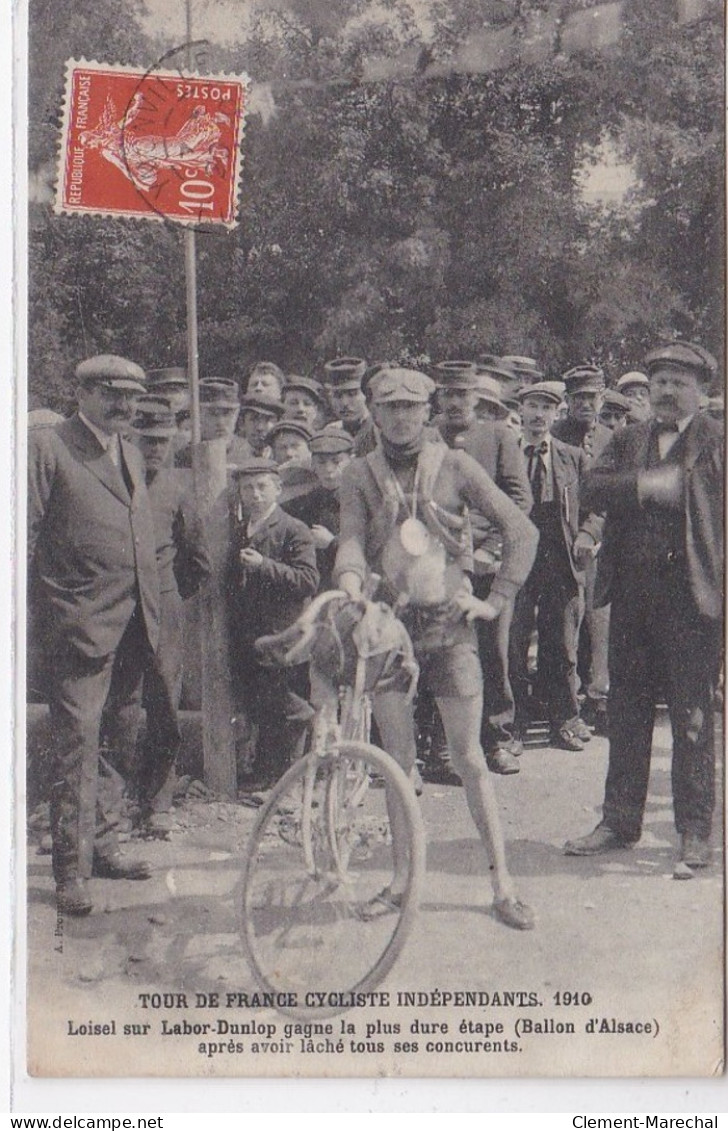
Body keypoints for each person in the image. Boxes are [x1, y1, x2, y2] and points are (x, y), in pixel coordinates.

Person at [335, 367, 539, 930]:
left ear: (427, 412)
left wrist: (496, 600)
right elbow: (351, 537)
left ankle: (503, 886)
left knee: (469, 758)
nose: (400, 417)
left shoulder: (456, 464)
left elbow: (522, 530)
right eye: (388, 407)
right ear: (373, 413)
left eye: (410, 407)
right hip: (389, 632)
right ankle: (400, 883)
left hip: (450, 629)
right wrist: (351, 586)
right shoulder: (358, 473)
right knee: (397, 763)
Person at [564, 342, 723, 874]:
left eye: (679, 381)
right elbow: (589, 488)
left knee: (693, 720)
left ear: (701, 391)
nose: (666, 390)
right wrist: (644, 487)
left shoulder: (718, 442)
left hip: (693, 603)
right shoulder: (628, 439)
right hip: (632, 600)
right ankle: (619, 822)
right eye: (659, 381)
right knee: (626, 713)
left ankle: (695, 833)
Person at [28, 355, 159, 916]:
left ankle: (104, 844)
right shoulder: (48, 447)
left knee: (122, 734)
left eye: (131, 396)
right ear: (80, 393)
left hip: (132, 623)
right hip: (77, 625)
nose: (124, 406)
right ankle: (70, 871)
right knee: (77, 746)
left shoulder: (128, 451)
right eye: (111, 394)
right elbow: (23, 535)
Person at [432, 360, 533, 776]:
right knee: (441, 652)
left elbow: (519, 502)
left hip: (489, 567)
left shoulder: (498, 437)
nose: (456, 403)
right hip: (439, 566)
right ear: (438, 397)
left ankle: (499, 739)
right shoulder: (426, 437)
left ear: (478, 397)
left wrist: (491, 549)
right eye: (449, 394)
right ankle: (442, 748)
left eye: (464, 394)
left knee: (495, 653)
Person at [129, 397, 211, 833]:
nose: (155, 449)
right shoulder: (114, 479)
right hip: (118, 606)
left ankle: (156, 801)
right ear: (130, 437)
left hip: (164, 606)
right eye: (146, 441)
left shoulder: (179, 488)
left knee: (164, 702)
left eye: (162, 441)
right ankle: (112, 804)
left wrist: (170, 593)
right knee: (117, 706)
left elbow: (196, 557)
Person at [226, 459, 319, 788]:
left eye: (262, 486)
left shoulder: (293, 528)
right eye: (247, 488)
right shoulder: (238, 530)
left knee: (286, 706)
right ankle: (268, 775)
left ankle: (287, 779)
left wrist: (265, 565)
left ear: (278, 489)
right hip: (251, 634)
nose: (254, 495)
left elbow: (308, 580)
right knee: (264, 707)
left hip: (283, 634)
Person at [509, 382, 591, 751]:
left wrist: (588, 534)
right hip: (516, 558)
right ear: (521, 410)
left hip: (561, 560)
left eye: (546, 407)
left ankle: (565, 720)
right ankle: (512, 724)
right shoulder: (505, 454)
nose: (539, 414)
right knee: (511, 640)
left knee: (562, 644)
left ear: (557, 414)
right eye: (532, 405)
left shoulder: (573, 457)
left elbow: (597, 507)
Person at [552, 364, 612, 735]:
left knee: (601, 624)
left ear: (602, 397)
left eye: (592, 396)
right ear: (568, 401)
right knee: (565, 629)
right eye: (578, 397)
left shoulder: (613, 438)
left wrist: (594, 533)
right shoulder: (556, 435)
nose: (585, 404)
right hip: (564, 547)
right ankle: (566, 703)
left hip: (604, 548)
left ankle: (599, 698)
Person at [284, 427, 353, 591]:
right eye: (321, 462)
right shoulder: (299, 506)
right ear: (313, 464)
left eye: (337, 462)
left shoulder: (361, 502)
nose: (329, 469)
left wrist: (332, 544)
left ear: (350, 461)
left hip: (350, 587)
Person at [175, 378, 250, 467]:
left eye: (227, 414)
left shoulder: (247, 453)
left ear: (237, 414)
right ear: (198, 414)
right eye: (213, 414)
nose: (220, 422)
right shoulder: (184, 456)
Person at [324, 356, 377, 455]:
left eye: (352, 394)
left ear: (367, 394)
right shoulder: (330, 432)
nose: (344, 403)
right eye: (338, 395)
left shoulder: (378, 431)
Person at [236, 394, 284, 458]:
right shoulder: (230, 456)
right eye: (253, 419)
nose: (260, 427)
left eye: (268, 420)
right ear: (241, 423)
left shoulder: (282, 457)